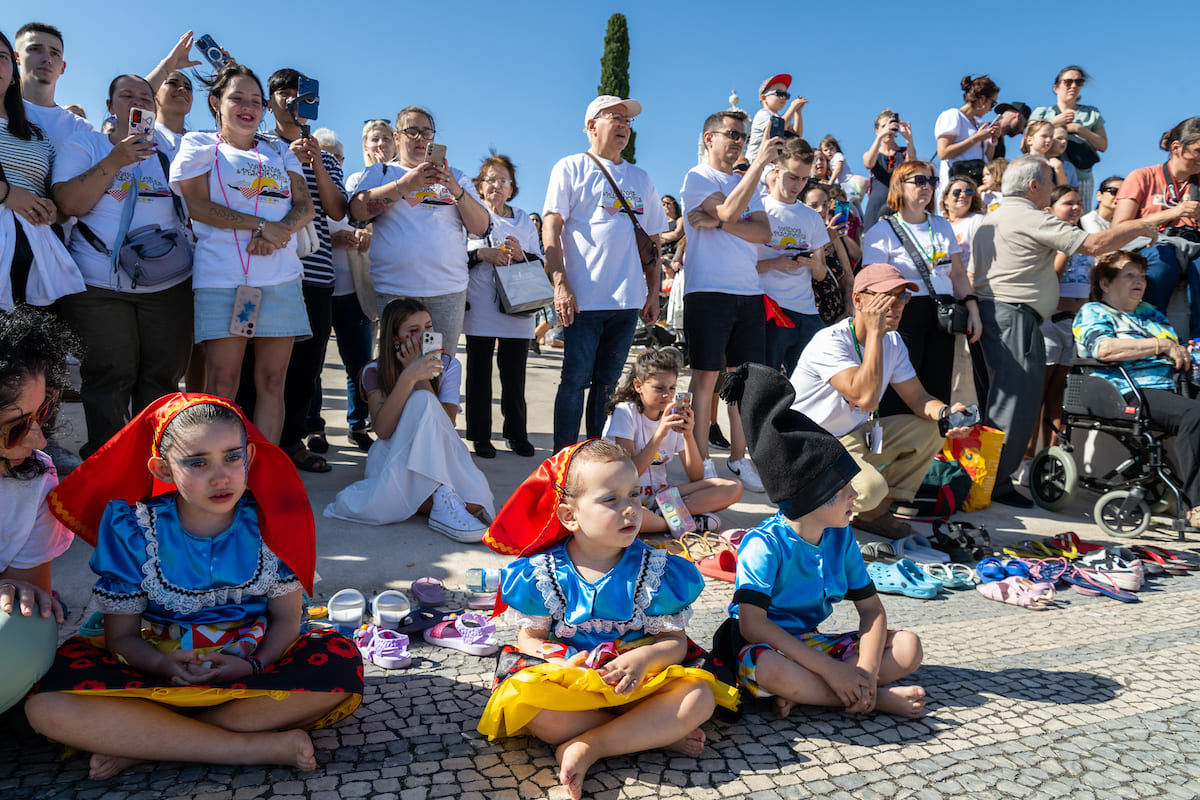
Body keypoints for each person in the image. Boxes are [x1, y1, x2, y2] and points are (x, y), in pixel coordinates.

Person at [25, 393, 363, 780]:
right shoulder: (133, 529)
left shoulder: (272, 523)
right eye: (197, 462)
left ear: (250, 457)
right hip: (154, 671)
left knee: (339, 665)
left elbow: (287, 621)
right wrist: (162, 664)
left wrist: (251, 664)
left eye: (232, 457)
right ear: (162, 469)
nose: (220, 476)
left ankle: (145, 739)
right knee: (47, 706)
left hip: (251, 669)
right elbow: (122, 637)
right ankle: (242, 746)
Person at [476, 439, 739, 800]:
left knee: (697, 697)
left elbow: (675, 643)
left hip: (640, 684)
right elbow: (530, 638)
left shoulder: (657, 570)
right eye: (610, 499)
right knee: (535, 709)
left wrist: (644, 657)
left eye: (633, 495)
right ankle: (654, 733)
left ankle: (592, 744)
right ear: (570, 515)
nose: (630, 509)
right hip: (575, 683)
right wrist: (560, 658)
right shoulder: (542, 574)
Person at [713, 363, 926, 719]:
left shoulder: (840, 537)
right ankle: (871, 700)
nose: (855, 496)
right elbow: (752, 624)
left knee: (908, 647)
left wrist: (865, 674)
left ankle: (824, 692)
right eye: (844, 491)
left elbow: (871, 611)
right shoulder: (764, 544)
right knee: (768, 670)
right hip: (765, 648)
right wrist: (831, 670)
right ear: (811, 500)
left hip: (809, 643)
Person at [971, 155, 1159, 506]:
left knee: (998, 403)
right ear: (1033, 186)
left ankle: (985, 481)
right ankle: (995, 485)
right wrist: (1142, 226)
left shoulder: (991, 217)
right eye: (1048, 181)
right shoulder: (1029, 216)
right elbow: (1093, 245)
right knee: (1016, 405)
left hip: (995, 316)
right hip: (1014, 320)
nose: (1052, 189)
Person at [170, 65, 315, 445]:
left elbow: (305, 207)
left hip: (280, 279)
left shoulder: (280, 151)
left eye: (256, 101)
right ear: (217, 102)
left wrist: (277, 231)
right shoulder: (199, 145)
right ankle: (215, 470)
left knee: (272, 381)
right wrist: (259, 225)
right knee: (222, 382)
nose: (247, 107)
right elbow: (198, 207)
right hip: (222, 280)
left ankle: (263, 476)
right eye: (237, 98)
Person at [53, 74, 194, 459]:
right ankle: (108, 466)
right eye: (126, 95)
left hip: (169, 287)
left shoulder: (170, 149)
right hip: (99, 286)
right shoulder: (85, 143)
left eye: (145, 96)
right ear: (109, 106)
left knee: (161, 382)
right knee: (109, 378)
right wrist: (118, 158)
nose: (137, 101)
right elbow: (70, 203)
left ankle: (153, 467)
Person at [789, 264, 975, 538]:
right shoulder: (830, 341)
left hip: (850, 437)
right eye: (885, 296)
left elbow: (919, 399)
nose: (896, 304)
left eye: (902, 296)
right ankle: (813, 515)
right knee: (870, 488)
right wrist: (875, 334)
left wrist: (947, 414)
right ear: (858, 300)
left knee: (930, 430)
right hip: (808, 445)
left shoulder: (893, 342)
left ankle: (873, 514)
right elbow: (865, 397)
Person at [236, 69, 348, 474]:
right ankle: (245, 441)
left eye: (298, 94)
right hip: (264, 269)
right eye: (282, 93)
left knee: (306, 365)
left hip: (316, 275)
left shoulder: (326, 158)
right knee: (253, 364)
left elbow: (337, 211)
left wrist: (316, 162)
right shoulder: (257, 146)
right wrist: (287, 163)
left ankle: (290, 441)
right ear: (269, 103)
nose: (290, 100)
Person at [542, 95, 668, 452]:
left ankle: (596, 457)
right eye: (615, 117)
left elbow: (654, 242)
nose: (624, 126)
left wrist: (653, 292)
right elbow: (551, 227)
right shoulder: (570, 167)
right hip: (582, 299)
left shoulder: (641, 178)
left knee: (608, 386)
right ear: (590, 125)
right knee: (574, 381)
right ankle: (563, 462)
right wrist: (561, 284)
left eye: (628, 121)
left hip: (626, 302)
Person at [325, 297, 494, 541]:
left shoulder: (449, 366)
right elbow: (383, 430)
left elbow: (445, 424)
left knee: (477, 502)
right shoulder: (374, 370)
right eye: (413, 331)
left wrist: (423, 375)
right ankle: (438, 500)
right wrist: (408, 376)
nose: (425, 335)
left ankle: (434, 499)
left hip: (438, 454)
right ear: (395, 339)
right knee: (421, 401)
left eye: (429, 327)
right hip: (393, 454)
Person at [680, 109, 776, 492]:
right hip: (708, 289)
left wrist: (720, 223)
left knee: (741, 381)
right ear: (709, 138)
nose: (738, 140)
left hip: (748, 291)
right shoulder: (698, 176)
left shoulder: (744, 182)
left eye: (742, 135)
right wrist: (758, 167)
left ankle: (739, 458)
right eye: (731, 134)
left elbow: (763, 233)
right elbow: (731, 209)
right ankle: (702, 458)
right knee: (705, 377)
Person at [347, 105, 489, 355]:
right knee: (397, 372)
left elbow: (481, 227)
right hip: (396, 292)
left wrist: (455, 190)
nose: (420, 139)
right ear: (397, 138)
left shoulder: (456, 176)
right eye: (412, 131)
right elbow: (357, 212)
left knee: (439, 372)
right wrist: (405, 185)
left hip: (447, 292)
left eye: (427, 132)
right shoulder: (381, 172)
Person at [1073, 251, 1200, 526]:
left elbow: (1174, 348)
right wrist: (1161, 345)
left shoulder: (1151, 313)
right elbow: (1103, 348)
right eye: (1129, 275)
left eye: (1142, 276)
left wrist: (1186, 351)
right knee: (1195, 414)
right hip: (1125, 390)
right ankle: (1196, 504)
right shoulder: (1093, 311)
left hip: (1169, 387)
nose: (1139, 281)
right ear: (1106, 283)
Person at [0, 307, 76, 716]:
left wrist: (14, 588)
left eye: (42, 412)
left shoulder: (35, 479)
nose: (39, 437)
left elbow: (29, 591)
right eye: (15, 424)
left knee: (24, 622)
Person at [862, 161, 981, 415]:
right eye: (919, 181)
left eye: (932, 181)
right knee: (899, 389)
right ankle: (894, 450)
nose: (927, 187)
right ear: (899, 186)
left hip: (942, 314)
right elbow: (873, 283)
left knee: (938, 388)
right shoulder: (881, 231)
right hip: (903, 312)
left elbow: (958, 273)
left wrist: (973, 309)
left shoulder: (941, 225)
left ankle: (932, 450)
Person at [602, 348, 743, 532]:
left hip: (661, 496)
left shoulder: (672, 415)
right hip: (628, 494)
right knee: (620, 514)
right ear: (638, 386)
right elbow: (630, 474)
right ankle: (674, 520)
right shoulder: (625, 412)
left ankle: (665, 518)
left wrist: (688, 435)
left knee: (734, 487)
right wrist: (660, 433)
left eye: (672, 388)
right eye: (659, 388)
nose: (667, 395)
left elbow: (696, 476)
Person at [462, 153, 539, 459]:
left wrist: (521, 255)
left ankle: (517, 434)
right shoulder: (471, 214)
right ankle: (481, 435)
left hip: (517, 307)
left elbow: (539, 259)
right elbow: (456, 253)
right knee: (479, 374)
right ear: (479, 186)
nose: (496, 185)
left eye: (502, 180)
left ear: (512, 187)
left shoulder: (522, 218)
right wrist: (483, 254)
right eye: (490, 179)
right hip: (481, 305)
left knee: (514, 375)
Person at [0, 28, 83, 311]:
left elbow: (57, 201)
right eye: (35, 49)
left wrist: (50, 210)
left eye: (0, 57)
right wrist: (9, 194)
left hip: (33, 257)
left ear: (11, 67)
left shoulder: (36, 134)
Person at [308, 128, 374, 453]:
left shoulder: (349, 199)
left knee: (359, 364)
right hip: (317, 290)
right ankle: (313, 427)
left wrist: (365, 237)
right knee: (312, 365)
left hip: (353, 293)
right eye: (326, 156)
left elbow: (372, 226)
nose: (334, 163)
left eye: (339, 158)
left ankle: (358, 424)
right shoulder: (305, 192)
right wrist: (330, 241)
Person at [1111, 118, 1200, 339]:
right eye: (1198, 151)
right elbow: (1118, 228)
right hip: (1155, 242)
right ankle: (1150, 336)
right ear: (1177, 148)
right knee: (1161, 263)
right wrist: (1173, 213)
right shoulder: (1142, 177)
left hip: (1194, 245)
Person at [1027, 185, 1092, 459]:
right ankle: (1026, 458)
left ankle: (1052, 460)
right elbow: (1051, 277)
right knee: (1037, 394)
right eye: (1068, 203)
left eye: (1079, 202)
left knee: (1058, 396)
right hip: (1048, 321)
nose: (1076, 207)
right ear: (1050, 209)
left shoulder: (1085, 239)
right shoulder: (1049, 238)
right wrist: (1066, 245)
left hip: (1074, 324)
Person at [757, 137, 829, 373]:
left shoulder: (812, 217)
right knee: (765, 384)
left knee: (807, 389)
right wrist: (773, 263)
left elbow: (820, 274)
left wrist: (813, 263)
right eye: (793, 176)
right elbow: (738, 265)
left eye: (804, 178)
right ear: (777, 170)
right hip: (770, 310)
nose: (798, 184)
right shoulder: (758, 207)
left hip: (807, 313)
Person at [1030, 66, 1107, 207]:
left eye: (1079, 82)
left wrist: (1080, 129)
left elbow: (1103, 145)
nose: (1074, 86)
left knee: (1078, 215)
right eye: (1068, 82)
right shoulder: (1042, 113)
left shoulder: (1091, 113)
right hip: (1045, 173)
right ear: (1056, 87)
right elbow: (1027, 140)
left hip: (1080, 176)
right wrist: (1054, 123)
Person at [14, 23, 94, 155]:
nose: (47, 59)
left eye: (54, 53)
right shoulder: (3, 111)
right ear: (16, 58)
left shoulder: (81, 129)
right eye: (35, 49)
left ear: (63, 67)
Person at [803, 183, 857, 326]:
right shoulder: (798, 236)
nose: (821, 210)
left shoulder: (833, 237)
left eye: (825, 205)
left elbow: (848, 276)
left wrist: (848, 310)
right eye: (814, 205)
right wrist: (825, 241)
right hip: (808, 318)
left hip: (837, 319)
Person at [934, 75, 999, 194]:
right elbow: (943, 153)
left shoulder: (979, 125)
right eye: (992, 103)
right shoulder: (953, 116)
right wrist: (976, 138)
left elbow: (987, 160)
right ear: (982, 99)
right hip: (955, 188)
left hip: (975, 188)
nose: (991, 110)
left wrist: (992, 141)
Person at [861, 109, 916, 228]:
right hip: (876, 207)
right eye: (883, 126)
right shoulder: (872, 153)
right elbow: (868, 163)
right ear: (877, 130)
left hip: (899, 205)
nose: (888, 129)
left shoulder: (904, 153)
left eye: (890, 126)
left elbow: (911, 167)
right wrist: (880, 136)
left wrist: (909, 140)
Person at [745, 73, 806, 164]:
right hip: (756, 162)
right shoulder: (763, 114)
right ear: (764, 98)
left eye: (786, 95)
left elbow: (797, 135)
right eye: (779, 93)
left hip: (770, 164)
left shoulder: (780, 118)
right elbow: (781, 127)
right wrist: (792, 107)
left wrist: (798, 112)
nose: (783, 97)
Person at [940, 175, 984, 277]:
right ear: (946, 199)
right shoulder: (938, 223)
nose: (963, 195)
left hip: (967, 281)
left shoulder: (977, 220)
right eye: (957, 192)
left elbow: (981, 258)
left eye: (968, 192)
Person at [1021, 120, 1070, 188]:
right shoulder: (1022, 163)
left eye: (1051, 137)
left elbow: (1063, 192)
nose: (1049, 140)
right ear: (1029, 140)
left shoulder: (1054, 164)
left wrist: (1059, 169)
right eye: (1044, 136)